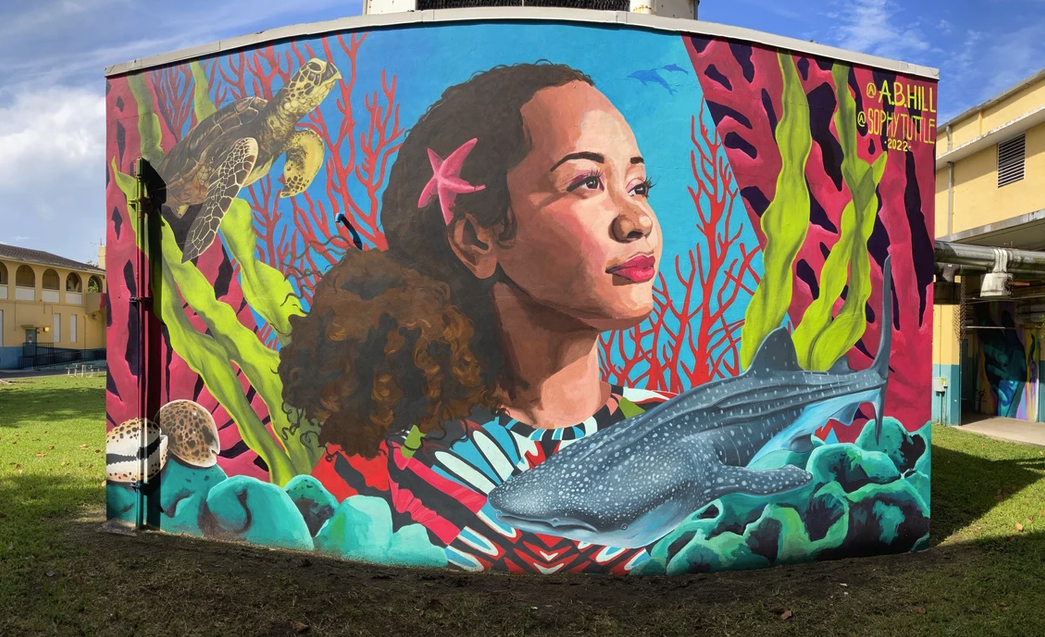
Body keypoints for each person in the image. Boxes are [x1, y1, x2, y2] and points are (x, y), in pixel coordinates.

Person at [279, 62, 669, 573]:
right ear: (476, 239)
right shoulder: (384, 467)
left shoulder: (684, 427)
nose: (637, 220)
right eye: (586, 182)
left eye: (639, 186)